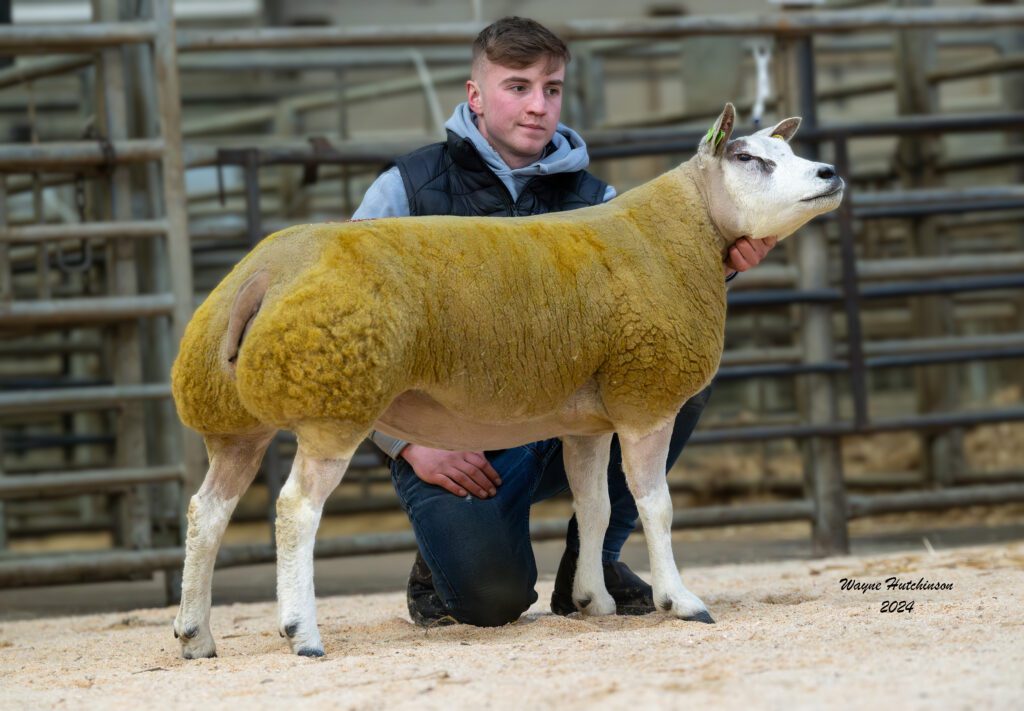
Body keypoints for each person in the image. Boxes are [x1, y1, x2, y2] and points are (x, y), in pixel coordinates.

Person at [353, 16, 776, 627]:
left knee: (674, 377)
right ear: (475, 95)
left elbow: (647, 318)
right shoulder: (405, 191)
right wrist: (407, 443)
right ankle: (442, 565)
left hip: (558, 416)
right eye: (517, 87)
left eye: (551, 89)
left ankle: (593, 565)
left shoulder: (598, 203)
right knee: (490, 602)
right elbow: (353, 334)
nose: (538, 105)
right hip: (452, 437)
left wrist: (723, 267)